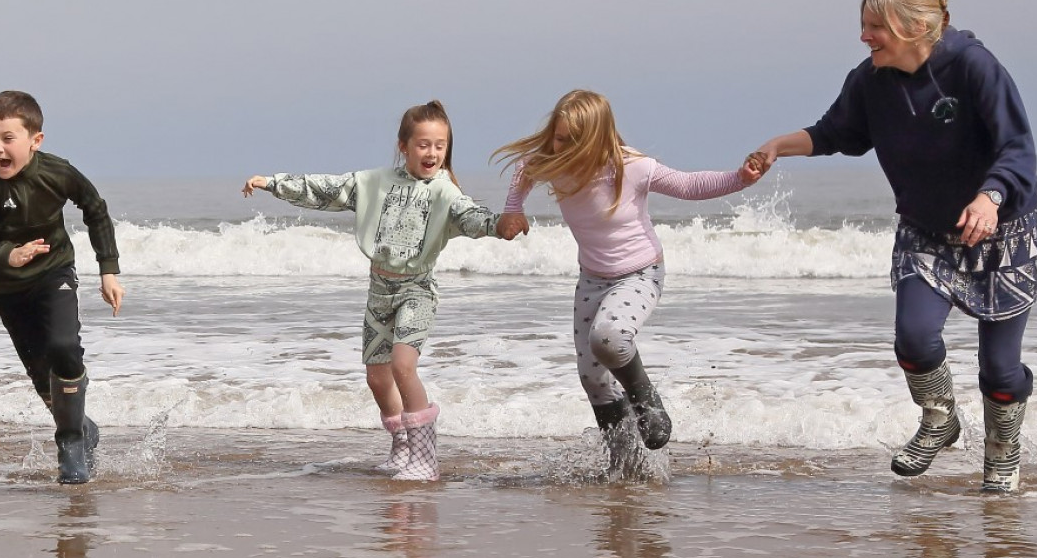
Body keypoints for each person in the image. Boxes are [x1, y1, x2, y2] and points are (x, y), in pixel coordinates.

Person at [749, 0, 1037, 493]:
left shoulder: (975, 66)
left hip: (1000, 233)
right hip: (927, 230)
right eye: (863, 26)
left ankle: (1002, 450)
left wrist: (990, 196)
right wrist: (777, 145)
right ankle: (939, 418)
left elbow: (1016, 147)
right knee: (913, 335)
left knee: (999, 370)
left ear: (916, 27)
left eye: (875, 27)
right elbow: (835, 133)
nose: (865, 37)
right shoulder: (869, 81)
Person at [493, 89, 763, 475]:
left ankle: (647, 401)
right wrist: (513, 210)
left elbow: (688, 186)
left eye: (572, 140)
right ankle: (627, 467)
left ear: (598, 139)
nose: (561, 146)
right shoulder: (552, 162)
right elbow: (524, 169)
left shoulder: (631, 166)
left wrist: (740, 178)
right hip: (592, 278)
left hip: (640, 273)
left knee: (609, 338)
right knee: (592, 378)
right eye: (558, 136)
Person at [243, 100, 505, 482]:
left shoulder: (445, 193)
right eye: (423, 144)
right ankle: (402, 448)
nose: (431, 152)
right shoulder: (375, 183)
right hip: (379, 290)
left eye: (439, 145)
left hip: (417, 289)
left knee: (402, 366)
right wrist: (273, 183)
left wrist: (501, 225)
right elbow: (327, 189)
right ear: (404, 146)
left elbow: (472, 217)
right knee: (377, 378)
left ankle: (425, 457)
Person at [0, 90, 123, 485]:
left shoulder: (57, 172)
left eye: (7, 138)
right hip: (7, 289)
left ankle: (70, 445)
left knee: (64, 348)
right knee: (43, 380)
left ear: (35, 141)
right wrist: (7, 254)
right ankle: (84, 428)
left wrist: (109, 269)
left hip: (55, 274)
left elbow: (95, 209)